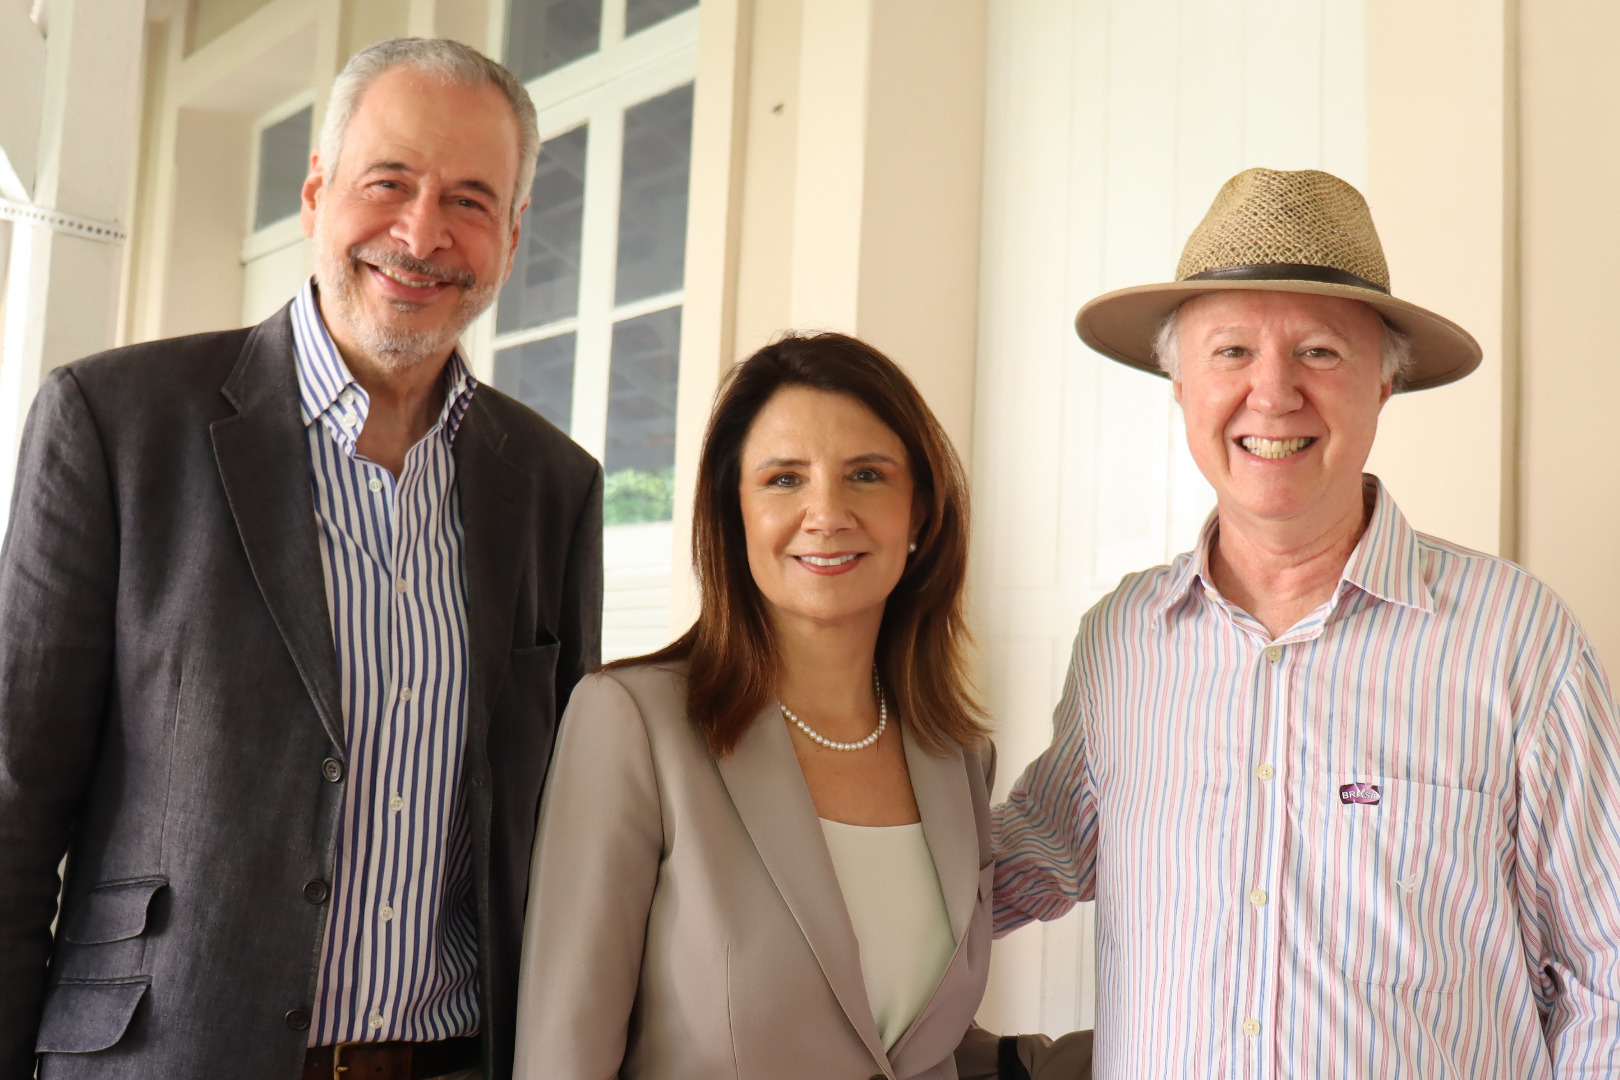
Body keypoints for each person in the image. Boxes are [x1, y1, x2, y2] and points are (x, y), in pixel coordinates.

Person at [0, 38, 602, 1080]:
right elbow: (11, 804)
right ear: (317, 192)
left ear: (510, 236)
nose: (422, 233)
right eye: (388, 182)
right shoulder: (115, 422)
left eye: (469, 200)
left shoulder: (556, 485)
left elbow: (562, 829)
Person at [993, 166, 1620, 1076]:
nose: (1274, 392)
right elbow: (1030, 860)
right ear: (1179, 385)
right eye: (1230, 352)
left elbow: (1607, 970)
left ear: (1385, 385)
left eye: (1320, 352)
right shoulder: (1120, 641)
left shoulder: (1517, 641)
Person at [514, 332, 997, 1080]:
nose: (826, 513)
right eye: (784, 479)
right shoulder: (632, 723)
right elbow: (563, 1054)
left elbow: (915, 1038)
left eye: (866, 474)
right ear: (733, 512)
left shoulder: (957, 754)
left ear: (920, 514)